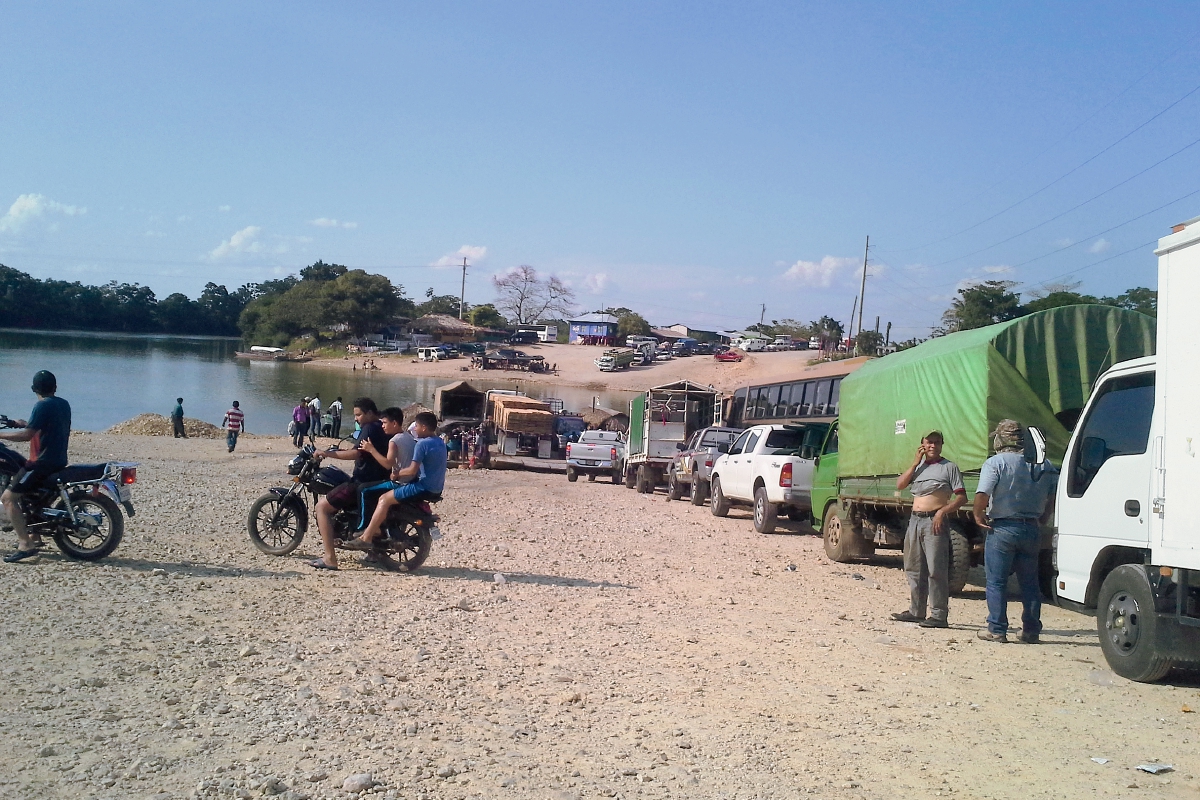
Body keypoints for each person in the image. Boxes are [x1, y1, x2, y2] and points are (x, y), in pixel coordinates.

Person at [973, 420, 1059, 644]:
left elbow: (983, 493)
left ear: (1000, 440)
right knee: (1030, 583)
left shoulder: (995, 463)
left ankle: (997, 628)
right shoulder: (1044, 465)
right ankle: (1031, 630)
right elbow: (1052, 495)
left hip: (1002, 528)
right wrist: (1043, 516)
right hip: (1031, 528)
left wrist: (977, 514)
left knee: (996, 581)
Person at [890, 431, 966, 628]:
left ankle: (939, 615)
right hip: (915, 521)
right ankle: (916, 611)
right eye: (929, 442)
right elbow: (900, 484)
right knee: (914, 568)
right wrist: (915, 462)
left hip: (934, 521)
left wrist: (942, 512)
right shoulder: (919, 468)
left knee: (936, 569)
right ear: (922, 445)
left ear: (942, 445)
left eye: (937, 442)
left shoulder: (949, 467)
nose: (933, 446)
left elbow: (961, 497)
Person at [307, 398, 391, 570]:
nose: (356, 419)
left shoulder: (369, 427)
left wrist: (327, 453)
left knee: (322, 507)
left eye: (358, 415)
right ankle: (373, 553)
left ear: (369, 413)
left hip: (363, 481)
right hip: (380, 479)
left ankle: (330, 558)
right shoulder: (383, 427)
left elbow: (355, 453)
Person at [345, 413, 447, 551]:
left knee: (383, 499)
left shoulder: (422, 444)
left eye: (416, 426)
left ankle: (366, 537)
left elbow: (411, 470)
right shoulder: (440, 442)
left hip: (423, 487)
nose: (414, 429)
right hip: (436, 488)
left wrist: (396, 474)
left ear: (423, 427)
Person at [0, 371, 70, 562]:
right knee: (31, 493)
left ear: (33, 389)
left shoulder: (41, 405)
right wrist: (19, 423)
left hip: (41, 463)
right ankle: (35, 535)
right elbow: (44, 426)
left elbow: (27, 436)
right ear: (55, 387)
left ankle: (25, 544)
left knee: (9, 498)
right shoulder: (63, 404)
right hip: (58, 460)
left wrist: (1, 435)